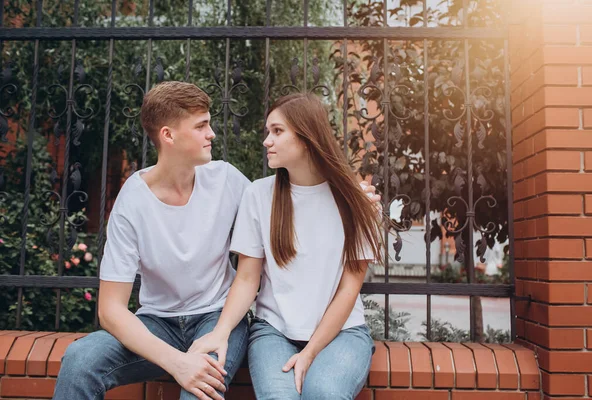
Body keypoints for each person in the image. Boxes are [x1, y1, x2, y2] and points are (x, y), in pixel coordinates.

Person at [53, 83, 379, 400]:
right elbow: (110, 310)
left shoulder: (228, 181)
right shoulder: (133, 201)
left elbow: (294, 200)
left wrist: (355, 196)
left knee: (203, 388)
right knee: (80, 360)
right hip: (157, 323)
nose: (212, 134)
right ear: (168, 135)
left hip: (216, 317)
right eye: (202, 126)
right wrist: (177, 363)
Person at [192, 93, 383, 400]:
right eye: (268, 132)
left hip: (343, 333)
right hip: (274, 332)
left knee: (324, 393)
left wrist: (310, 353)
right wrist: (220, 332)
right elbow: (246, 278)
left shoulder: (357, 202)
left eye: (277, 131)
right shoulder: (258, 195)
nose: (268, 141)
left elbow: (350, 288)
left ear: (307, 137)